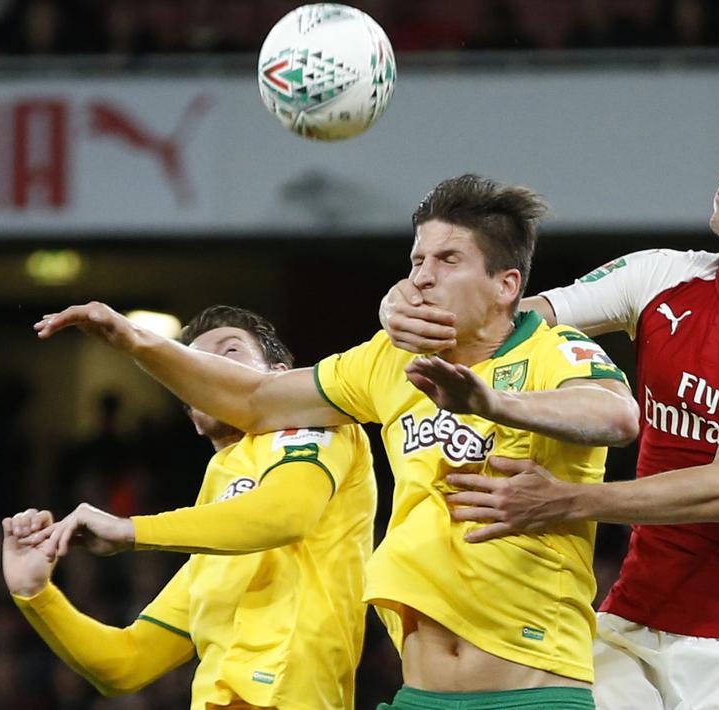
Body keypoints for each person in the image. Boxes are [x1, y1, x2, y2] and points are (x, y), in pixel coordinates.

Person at [31, 174, 642, 710]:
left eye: (448, 260)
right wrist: (134, 341)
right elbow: (253, 399)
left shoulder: (556, 350)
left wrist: (491, 402)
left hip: (533, 691)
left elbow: (616, 417)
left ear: (506, 284)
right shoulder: (390, 362)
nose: (421, 279)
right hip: (421, 694)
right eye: (416, 260)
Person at [380, 103, 719, 709]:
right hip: (635, 618)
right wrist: (406, 306)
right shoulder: (660, 276)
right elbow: (504, 316)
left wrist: (563, 501)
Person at [3, 305, 377, 710]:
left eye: (230, 352)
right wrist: (35, 593)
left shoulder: (317, 423)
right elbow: (126, 664)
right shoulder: (213, 543)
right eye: (193, 365)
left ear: (283, 376)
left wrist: (130, 531)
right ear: (193, 413)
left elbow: (285, 515)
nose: (207, 368)